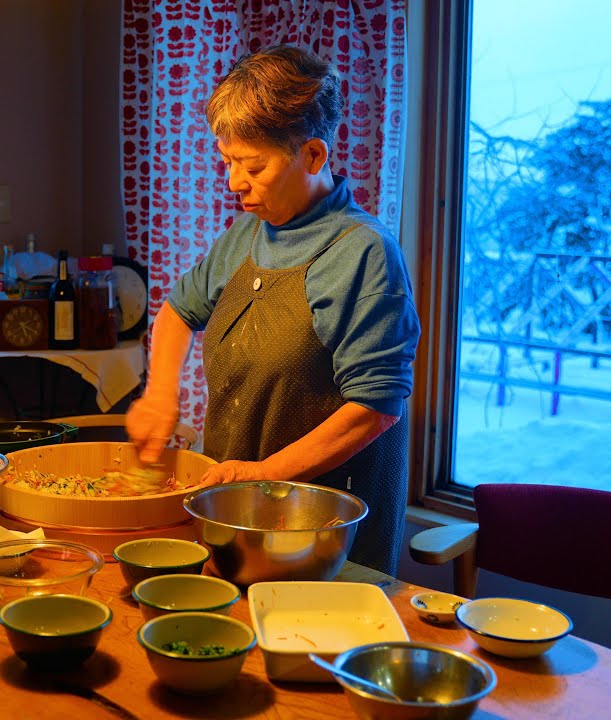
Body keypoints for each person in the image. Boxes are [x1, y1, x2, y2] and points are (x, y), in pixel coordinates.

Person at [126, 45, 420, 576]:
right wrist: (160, 392)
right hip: (235, 517)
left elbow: (375, 409)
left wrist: (264, 473)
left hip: (321, 535)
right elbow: (176, 311)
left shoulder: (363, 253)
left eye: (252, 166)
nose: (234, 182)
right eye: (227, 161)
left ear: (313, 156)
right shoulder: (245, 236)